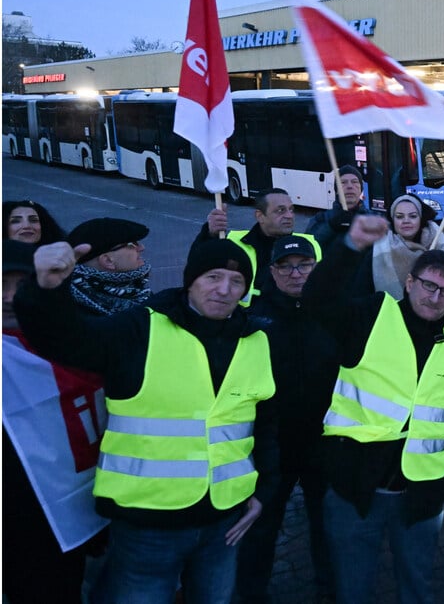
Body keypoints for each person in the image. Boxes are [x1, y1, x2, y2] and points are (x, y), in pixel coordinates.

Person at [14, 238, 280, 604]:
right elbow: (67, 341)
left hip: (224, 520)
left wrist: (264, 493)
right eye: (213, 276)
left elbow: (264, 426)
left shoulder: (256, 340)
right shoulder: (138, 329)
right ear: (190, 280)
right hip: (148, 525)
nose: (224, 289)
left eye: (237, 282)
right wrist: (46, 290)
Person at [302, 215, 444, 604]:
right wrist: (350, 247)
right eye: (428, 285)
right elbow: (317, 301)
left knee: (416, 586)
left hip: (422, 491)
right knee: (353, 588)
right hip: (355, 486)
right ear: (409, 282)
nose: (434, 297)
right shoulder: (370, 315)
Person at [234, 235, 337, 604]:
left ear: (315, 268)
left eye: (304, 265)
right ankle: (250, 595)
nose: (296, 273)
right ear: (272, 271)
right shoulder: (250, 317)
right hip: (271, 445)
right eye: (286, 266)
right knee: (260, 529)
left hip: (322, 442)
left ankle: (330, 592)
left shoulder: (331, 311)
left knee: (327, 528)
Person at [2, 239, 105, 603]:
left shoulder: (78, 333)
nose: (10, 297)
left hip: (91, 508)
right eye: (1, 285)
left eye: (22, 285)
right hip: (21, 527)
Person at [194, 187, 318, 309]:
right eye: (281, 210)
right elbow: (198, 266)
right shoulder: (234, 242)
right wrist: (210, 234)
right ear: (260, 216)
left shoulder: (309, 244)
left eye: (291, 210)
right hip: (248, 319)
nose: (289, 216)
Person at [353, 193, 444, 299]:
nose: (406, 221)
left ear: (420, 218)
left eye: (413, 216)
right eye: (399, 217)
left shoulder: (440, 246)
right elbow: (361, 293)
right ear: (392, 220)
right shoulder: (377, 250)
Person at [65, 217, 151, 316]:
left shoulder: (135, 289)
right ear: (108, 260)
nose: (141, 248)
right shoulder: (75, 313)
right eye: (131, 244)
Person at [306, 164, 371, 250]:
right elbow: (308, 247)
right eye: (343, 182)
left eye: (354, 182)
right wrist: (330, 226)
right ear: (336, 190)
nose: (350, 186)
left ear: (361, 189)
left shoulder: (374, 218)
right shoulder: (321, 219)